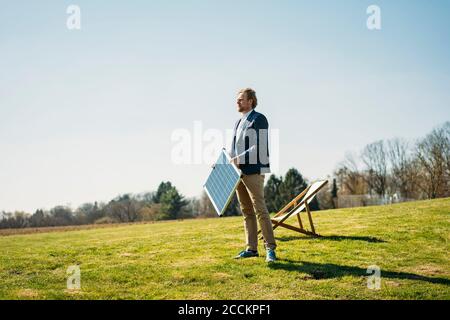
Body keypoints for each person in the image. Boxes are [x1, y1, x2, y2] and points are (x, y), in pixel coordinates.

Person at [230, 88, 277, 263]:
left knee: (260, 210)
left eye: (241, 99)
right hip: (238, 173)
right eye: (237, 100)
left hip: (254, 170)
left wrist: (239, 158)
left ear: (251, 101)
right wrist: (224, 162)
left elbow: (259, 147)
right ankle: (251, 249)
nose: (238, 102)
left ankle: (270, 249)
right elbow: (234, 149)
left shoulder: (259, 119)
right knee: (246, 211)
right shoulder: (237, 123)